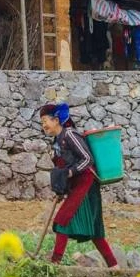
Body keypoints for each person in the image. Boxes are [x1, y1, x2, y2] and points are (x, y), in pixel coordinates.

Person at [40, 102, 117, 268]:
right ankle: (114, 266)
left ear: (56, 120)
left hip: (87, 185)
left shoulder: (70, 135)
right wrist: (61, 189)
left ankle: (55, 263)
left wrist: (70, 172)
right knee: (94, 230)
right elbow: (62, 169)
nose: (43, 125)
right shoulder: (56, 143)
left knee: (63, 220)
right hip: (76, 186)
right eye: (42, 122)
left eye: (45, 121)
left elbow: (88, 159)